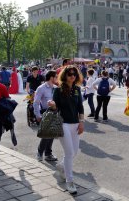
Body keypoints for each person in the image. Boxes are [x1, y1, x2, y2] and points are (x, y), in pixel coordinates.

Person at [49, 65, 84, 195]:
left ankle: (61, 165)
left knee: (74, 152)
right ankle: (70, 181)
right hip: (63, 124)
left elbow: (80, 107)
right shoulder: (58, 90)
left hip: (75, 124)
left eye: (74, 74)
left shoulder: (77, 89)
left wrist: (81, 122)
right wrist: (53, 105)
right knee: (69, 153)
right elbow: (55, 107)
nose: (72, 76)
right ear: (65, 75)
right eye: (69, 74)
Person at [33, 70, 58, 162]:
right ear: (51, 77)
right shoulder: (41, 88)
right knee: (46, 134)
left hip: (55, 112)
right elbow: (36, 103)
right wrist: (38, 115)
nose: (57, 78)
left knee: (51, 134)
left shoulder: (56, 88)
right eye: (55, 76)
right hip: (45, 112)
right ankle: (40, 153)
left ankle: (48, 154)